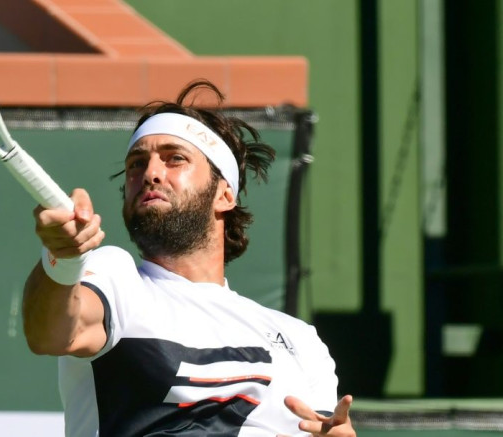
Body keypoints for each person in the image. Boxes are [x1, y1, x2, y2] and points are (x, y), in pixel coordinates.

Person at [23, 80, 356, 437]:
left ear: (224, 194)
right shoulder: (115, 277)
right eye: (137, 163)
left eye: (174, 158)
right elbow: (52, 333)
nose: (150, 173)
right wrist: (63, 258)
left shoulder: (300, 341)